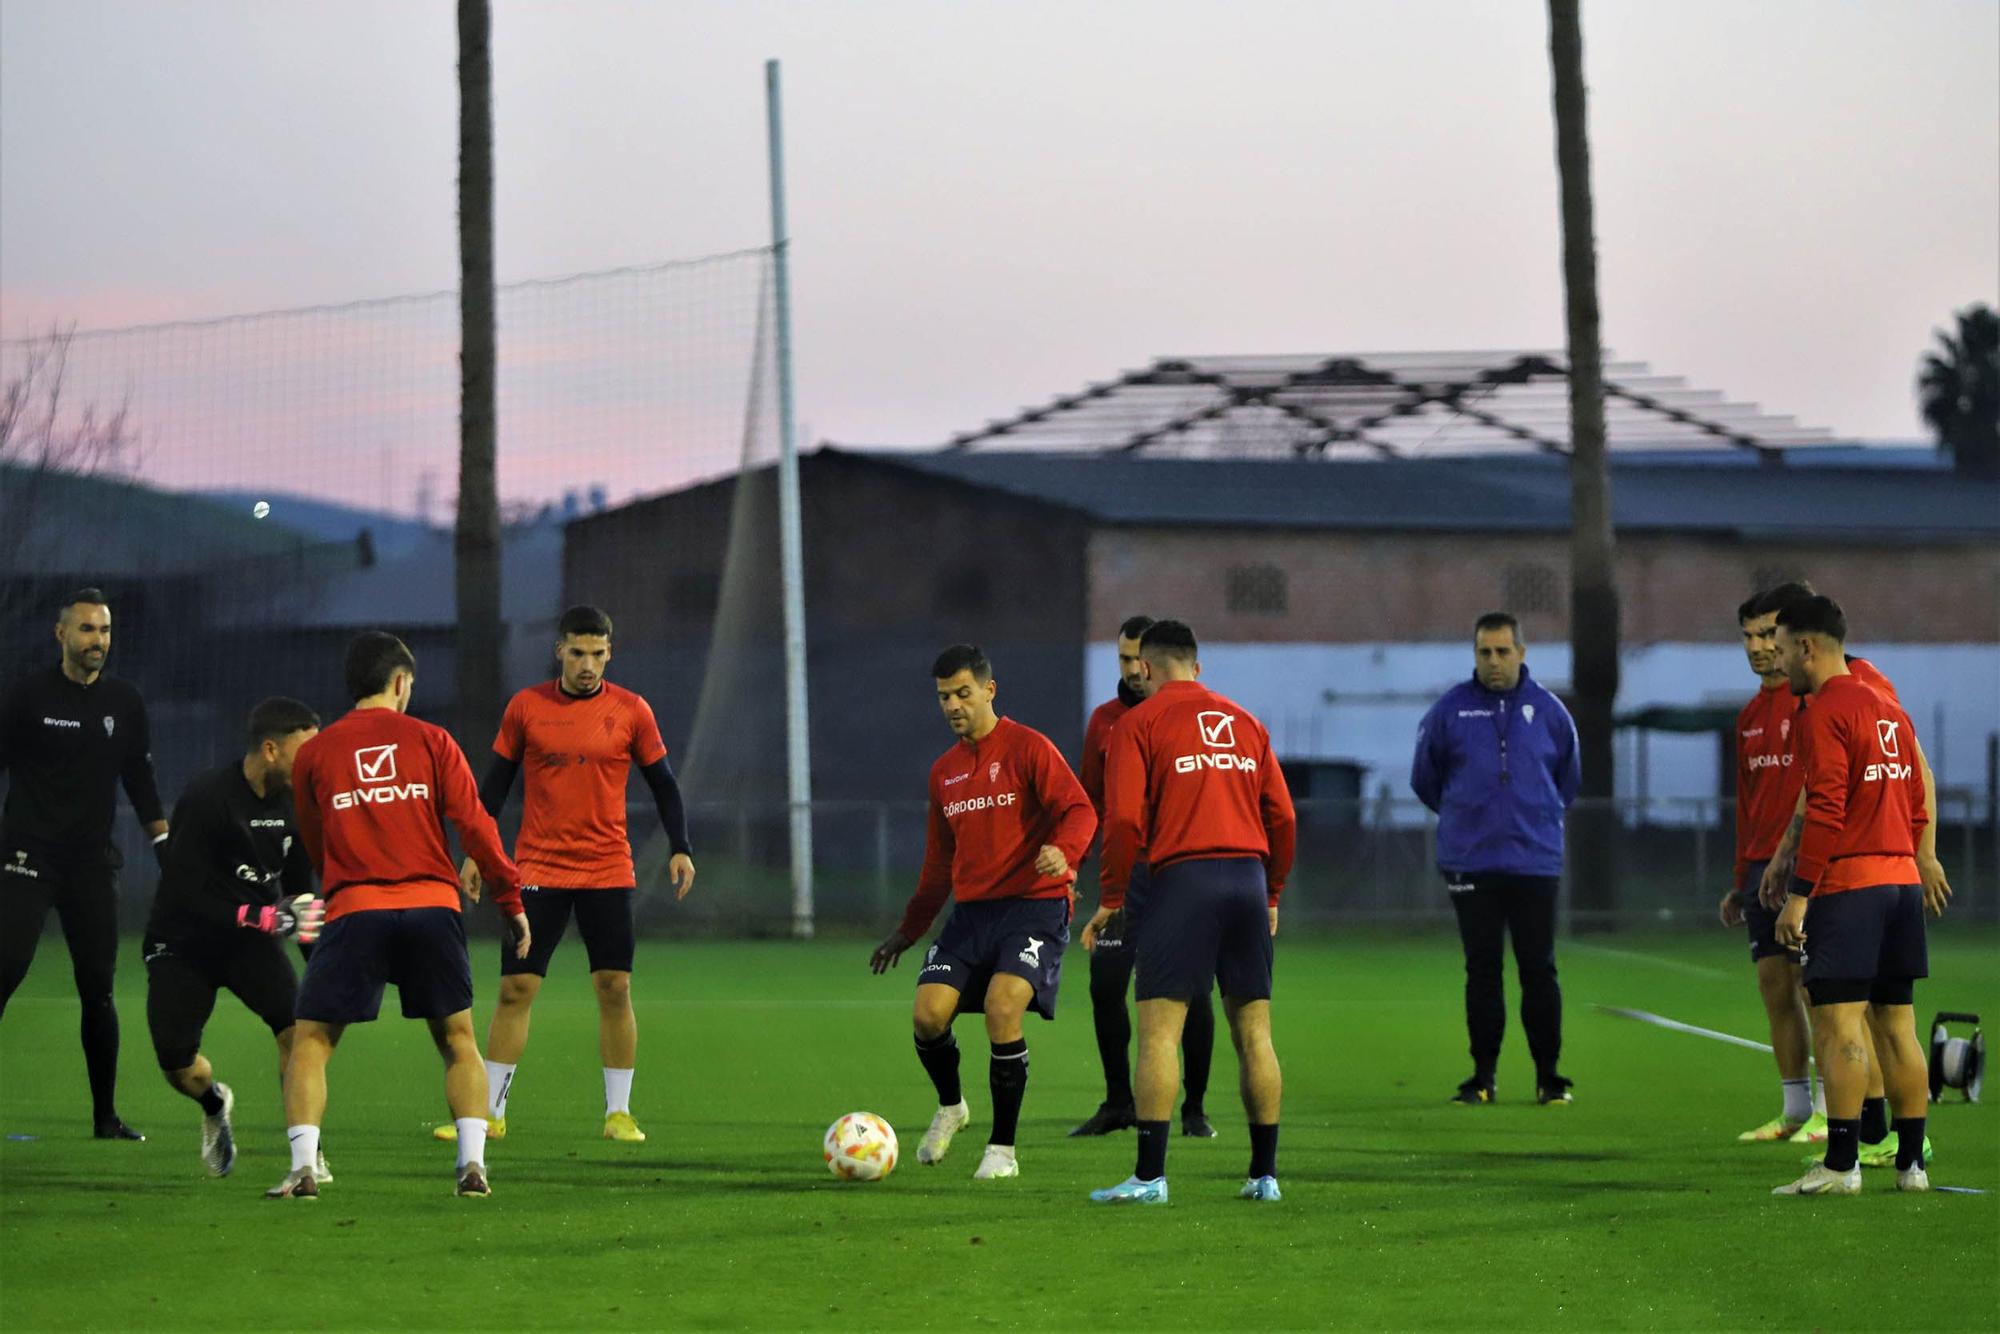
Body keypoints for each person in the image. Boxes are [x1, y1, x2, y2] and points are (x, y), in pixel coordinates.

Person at [266, 632, 529, 1200]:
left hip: (356, 908)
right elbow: (477, 827)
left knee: (312, 1042)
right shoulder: (433, 739)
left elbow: (315, 841)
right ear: (402, 682)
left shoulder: (315, 752)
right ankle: (473, 1168)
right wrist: (510, 900)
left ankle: (305, 1169)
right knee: (458, 1038)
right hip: (432, 907)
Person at [440, 605, 695, 1146]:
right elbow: (494, 786)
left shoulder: (632, 711)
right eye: (577, 652)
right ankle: (490, 1112)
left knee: (614, 987)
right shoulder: (526, 708)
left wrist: (680, 847)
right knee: (515, 988)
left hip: (607, 868)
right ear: (559, 650)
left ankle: (619, 1114)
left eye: (597, 654)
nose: (587, 664)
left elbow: (664, 784)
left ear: (610, 653)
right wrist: (474, 854)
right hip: (538, 868)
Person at [1086, 620, 1295, 1205]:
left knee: (1159, 1034)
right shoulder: (1246, 721)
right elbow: (1283, 817)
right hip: (1249, 878)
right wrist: (1273, 891)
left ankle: (1150, 1178)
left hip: (1182, 880)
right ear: (1196, 668)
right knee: (1254, 1035)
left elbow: (1125, 821)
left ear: (1146, 668)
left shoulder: (1137, 723)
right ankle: (1264, 1176)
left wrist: (1112, 897)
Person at [869, 645, 1096, 1181]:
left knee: (1001, 1007)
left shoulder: (1028, 747)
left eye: (963, 694)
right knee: (927, 1016)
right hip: (971, 917)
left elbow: (1080, 808)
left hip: (1034, 909)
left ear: (989, 691)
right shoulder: (944, 773)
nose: (953, 705)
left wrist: (1065, 851)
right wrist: (908, 931)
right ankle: (952, 1107)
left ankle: (1003, 1149)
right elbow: (937, 865)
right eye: (944, 696)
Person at [1753, 580, 1946, 1169]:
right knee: (1898, 1026)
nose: (1775, 659)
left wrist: (1800, 894)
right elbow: (1916, 791)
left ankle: (1841, 1165)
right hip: (1899, 885)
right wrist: (1921, 853)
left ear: (1808, 646)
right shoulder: (1888, 708)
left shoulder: (1830, 708)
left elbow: (1828, 804)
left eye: (1780, 645)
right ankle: (1910, 1164)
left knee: (1838, 1024)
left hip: (1853, 884)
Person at [0, 587, 169, 1140]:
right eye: (87, 630)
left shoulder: (125, 702)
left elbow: (139, 780)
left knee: (98, 988)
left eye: (105, 631)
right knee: (5, 971)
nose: (98, 641)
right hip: (27, 855)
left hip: (92, 864)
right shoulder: (26, 697)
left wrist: (164, 844)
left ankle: (105, 1118)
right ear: (61, 634)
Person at [143, 697, 327, 1178]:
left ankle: (305, 1151)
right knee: (178, 1065)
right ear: (270, 749)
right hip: (183, 943)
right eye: (304, 750)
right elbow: (183, 894)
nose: (314, 762)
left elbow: (300, 892)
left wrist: (319, 965)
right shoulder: (207, 796)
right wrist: (262, 917)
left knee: (297, 1031)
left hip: (251, 944)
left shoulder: (300, 800)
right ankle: (212, 1103)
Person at [1410, 611, 1580, 1107]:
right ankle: (1482, 1077)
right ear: (1475, 655)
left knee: (1539, 968)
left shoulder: (1550, 712)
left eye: (1503, 651)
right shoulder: (1449, 711)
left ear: (1522, 653)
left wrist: (1533, 818)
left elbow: (1567, 781)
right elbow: (1426, 780)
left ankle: (1549, 1078)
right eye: (1485, 652)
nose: (1494, 661)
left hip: (1535, 862)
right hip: (1471, 863)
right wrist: (1468, 819)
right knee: (1481, 968)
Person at [1070, 614, 1216, 1140]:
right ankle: (1118, 1104)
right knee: (1106, 986)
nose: (1133, 669)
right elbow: (1090, 801)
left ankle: (1194, 1108)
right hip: (1126, 878)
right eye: (1123, 660)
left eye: (1138, 659)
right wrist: (1075, 862)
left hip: (1179, 872)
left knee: (1195, 992)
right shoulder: (1105, 720)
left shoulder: (1187, 716)